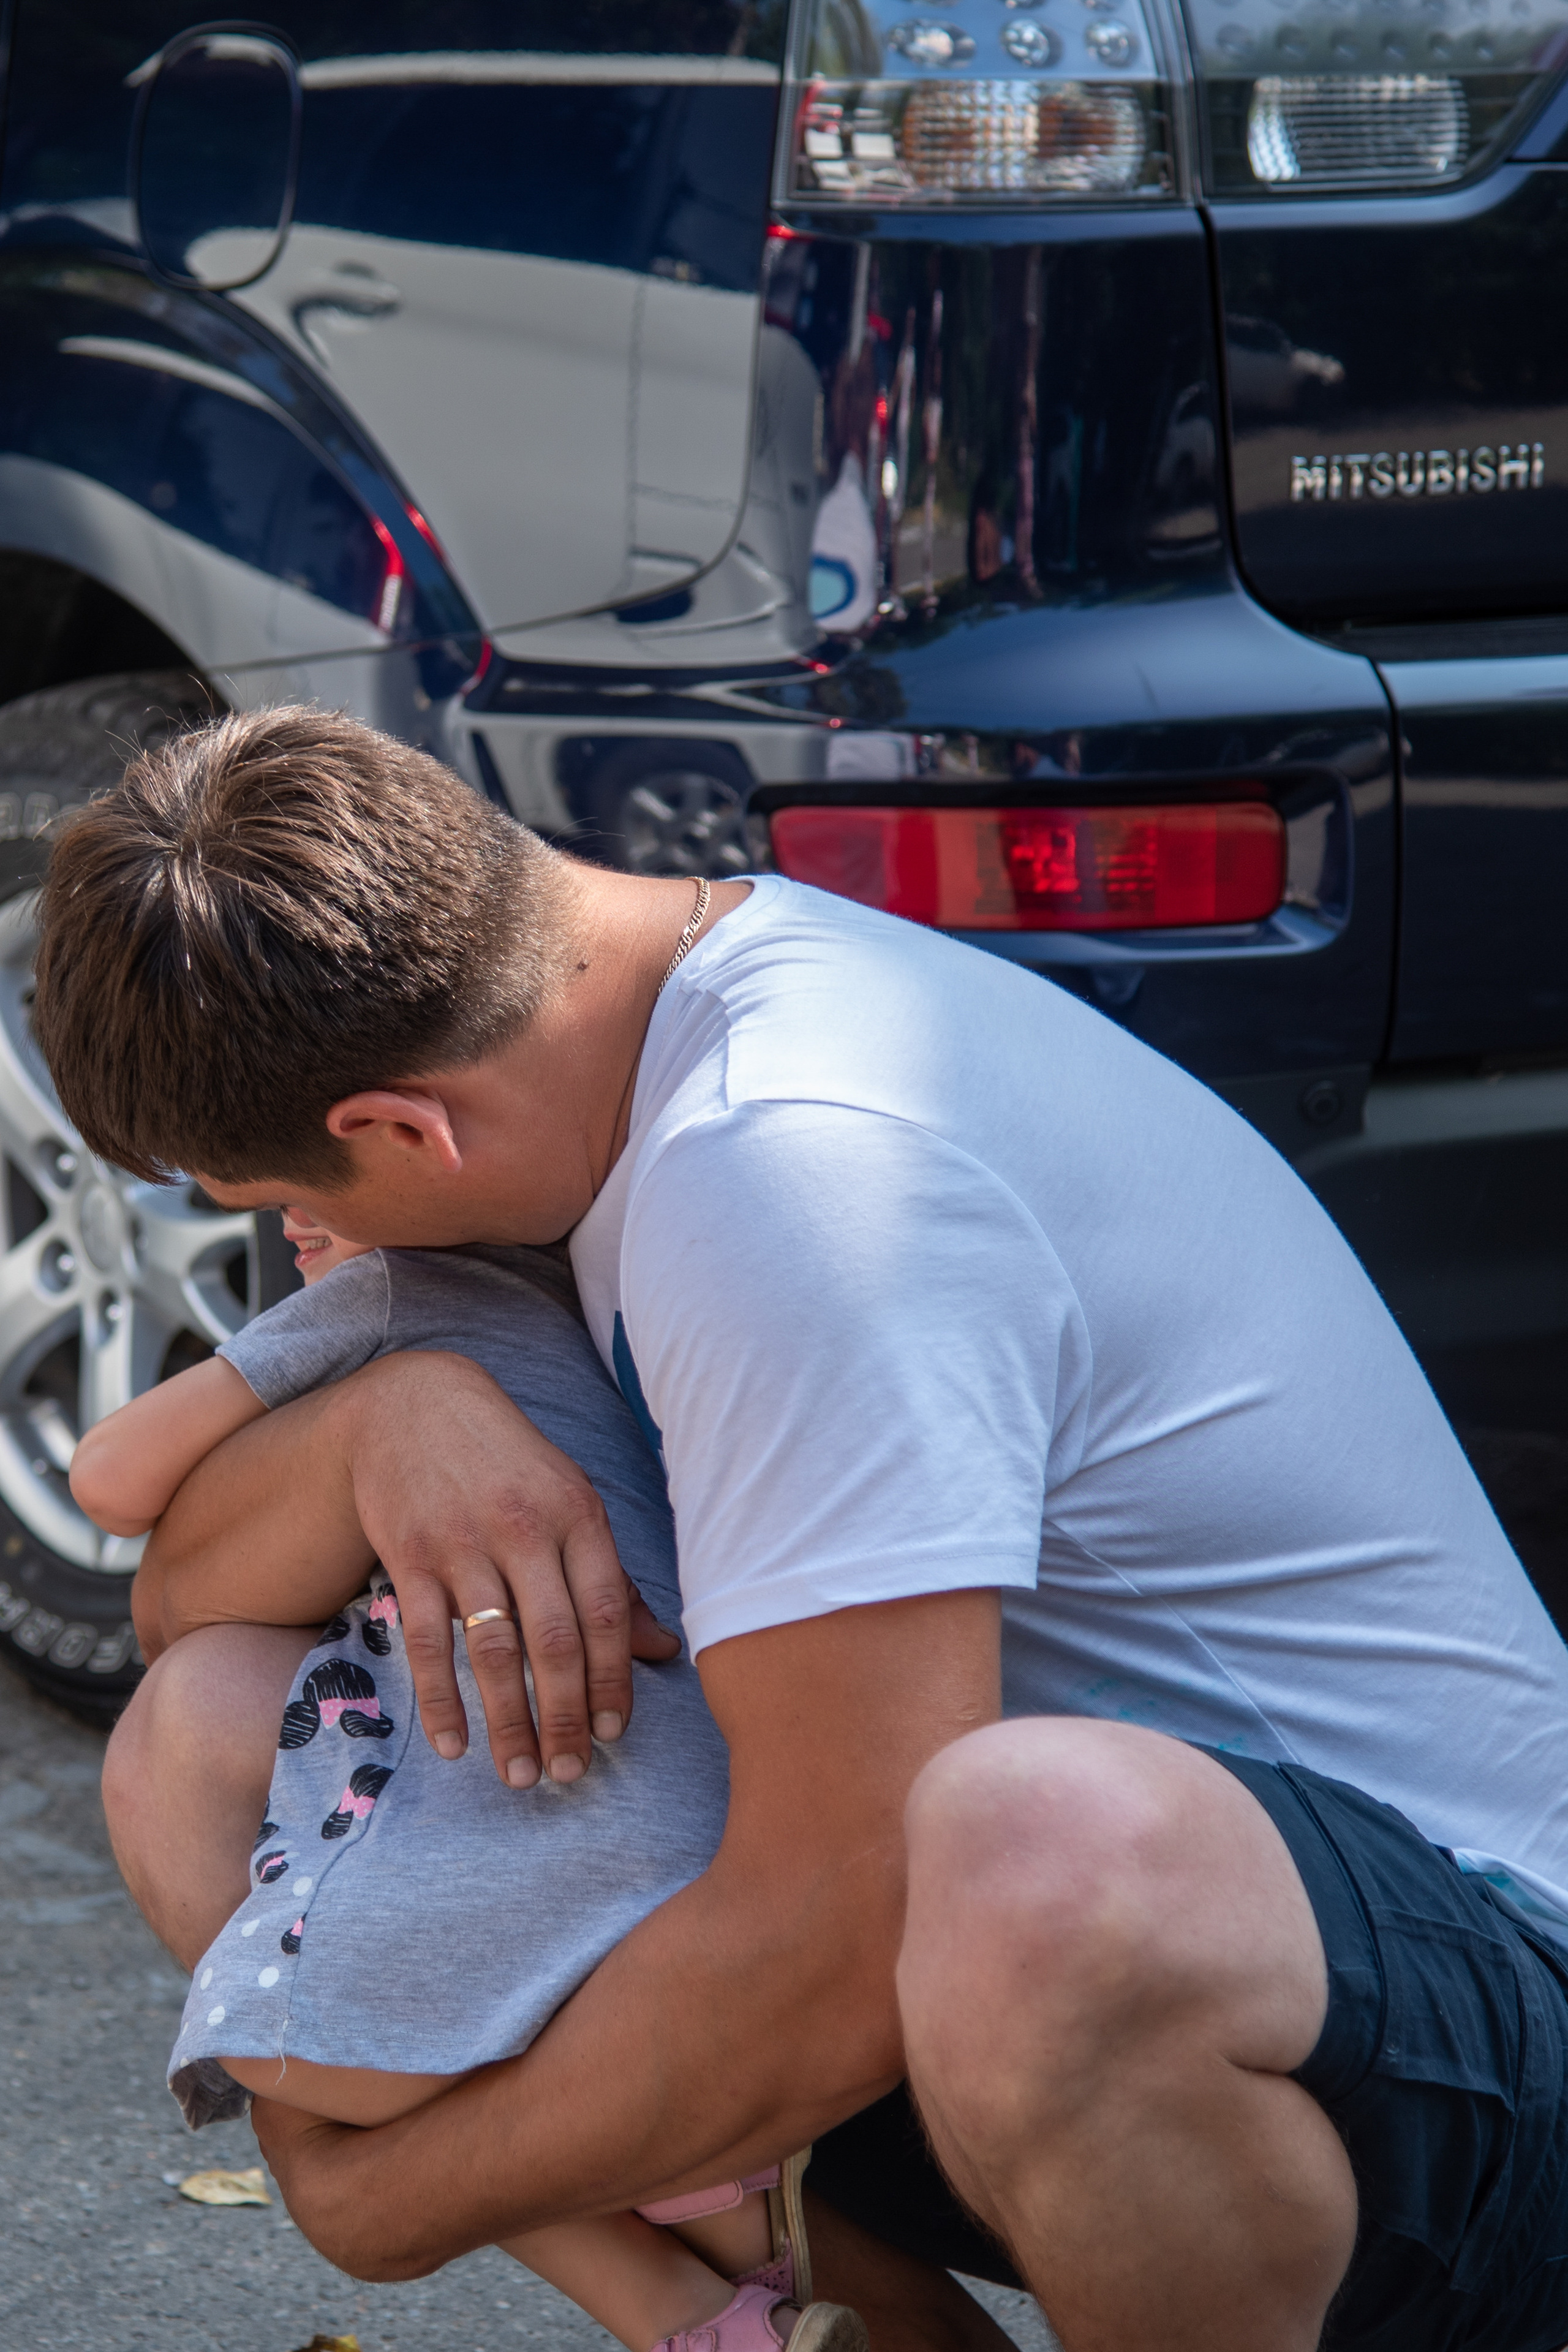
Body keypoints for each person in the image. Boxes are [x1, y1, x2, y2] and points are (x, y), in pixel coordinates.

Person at [40, 706, 1568, 2352]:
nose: (304, 1238)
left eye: (290, 1200)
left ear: (410, 1130)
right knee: (211, 1740)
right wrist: (373, 1427)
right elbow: (179, 1612)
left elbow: (843, 1924)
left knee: (1027, 1845)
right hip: (1016, 1993)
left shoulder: (786, 1167)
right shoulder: (609, 1047)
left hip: (1463, 2015)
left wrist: (379, 2198)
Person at [70, 1206, 865, 2352]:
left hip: (576, 1840)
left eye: (308, 1176)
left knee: (264, 2045)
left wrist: (289, 1401)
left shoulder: (392, 1287)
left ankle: (681, 2242)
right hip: (696, 1815)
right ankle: (706, 2276)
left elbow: (107, 1479)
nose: (287, 1209)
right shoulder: (598, 1299)